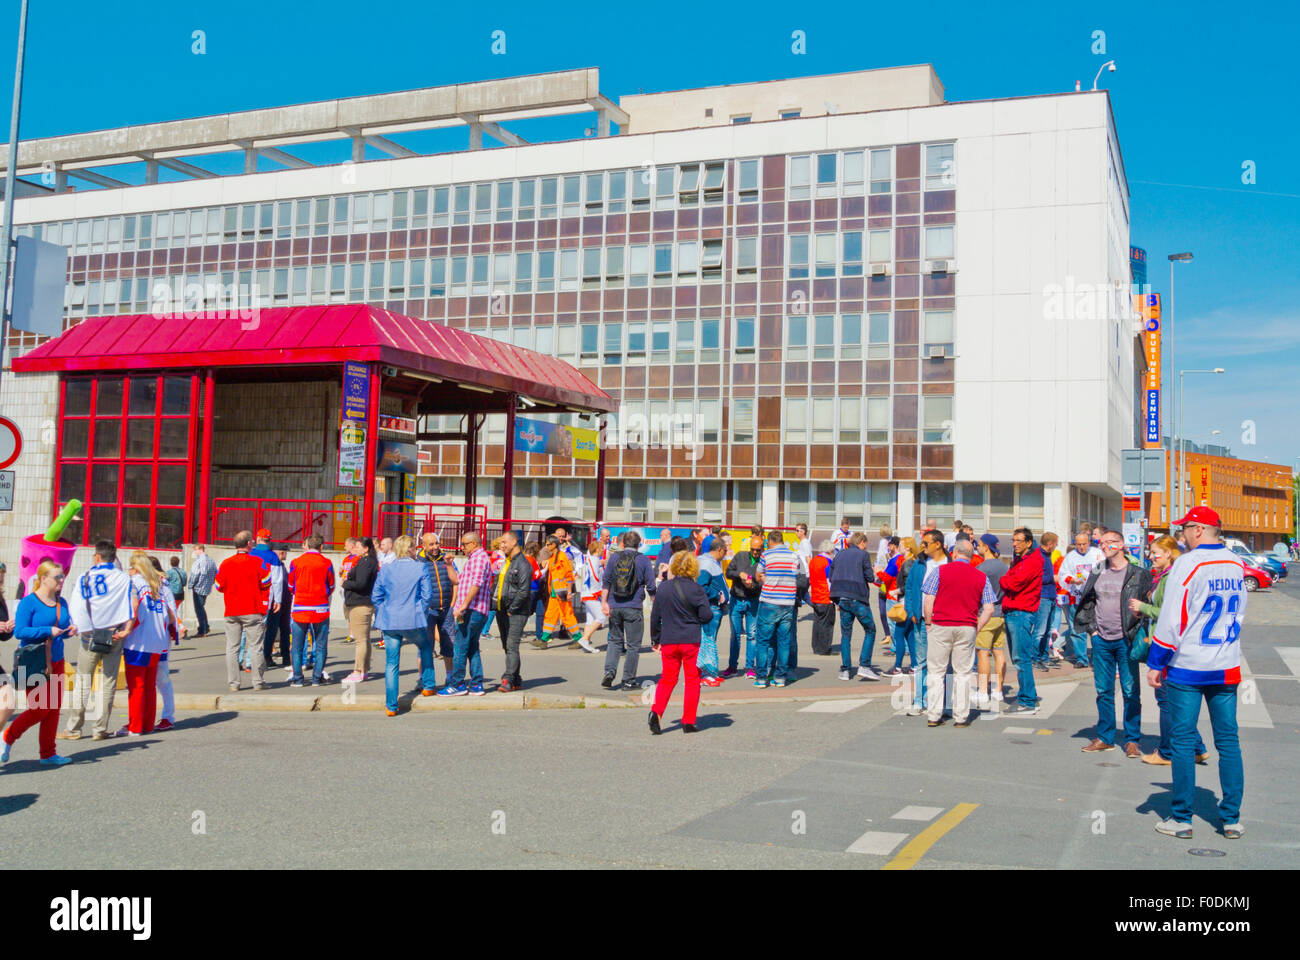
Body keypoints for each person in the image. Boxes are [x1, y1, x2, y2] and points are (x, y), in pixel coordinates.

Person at [1148, 507, 1247, 840]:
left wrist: (1156, 660)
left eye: (1186, 529)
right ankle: (1231, 818)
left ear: (1199, 530)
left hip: (1189, 664)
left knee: (1182, 740)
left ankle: (1181, 818)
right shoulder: (1235, 562)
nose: (1183, 535)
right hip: (1225, 661)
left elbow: (1172, 619)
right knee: (1229, 741)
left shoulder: (1188, 564)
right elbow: (1240, 612)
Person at [1131, 535, 1208, 767]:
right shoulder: (1164, 575)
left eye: (1155, 552)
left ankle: (1166, 752)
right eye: (1151, 552)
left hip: (1166, 644)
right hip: (1168, 641)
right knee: (1173, 701)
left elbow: (1167, 613)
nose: (1151, 556)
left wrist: (1142, 607)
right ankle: (1197, 748)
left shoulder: (1170, 577)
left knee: (1166, 701)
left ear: (1168, 554)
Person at [1074, 528, 1151, 755]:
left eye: (1110, 542)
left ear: (1121, 544)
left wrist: (1137, 628)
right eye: (1102, 542)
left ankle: (1132, 739)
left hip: (1125, 639)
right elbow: (1087, 601)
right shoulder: (1097, 570)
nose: (1105, 546)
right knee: (1103, 691)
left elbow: (1148, 605)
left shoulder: (1138, 573)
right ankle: (1105, 737)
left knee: (1130, 691)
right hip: (1101, 640)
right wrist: (1092, 629)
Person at [2, 561, 76, 766]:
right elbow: (19, 632)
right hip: (35, 662)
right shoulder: (29, 602)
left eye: (62, 576)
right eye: (57, 577)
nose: (61, 580)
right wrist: (46, 631)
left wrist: (70, 631)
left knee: (53, 710)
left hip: (56, 661)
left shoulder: (62, 602)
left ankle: (48, 754)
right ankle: (8, 736)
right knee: (40, 709)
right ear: (43, 578)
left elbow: (61, 631)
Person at [61, 540, 133, 741]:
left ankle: (74, 728)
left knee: (83, 681)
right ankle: (100, 729)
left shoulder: (85, 577)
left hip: (90, 635)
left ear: (97, 556)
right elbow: (130, 606)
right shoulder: (124, 578)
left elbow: (77, 606)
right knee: (108, 683)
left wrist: (80, 628)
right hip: (114, 634)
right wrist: (126, 629)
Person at [920, 540, 995, 728]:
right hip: (966, 625)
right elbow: (989, 609)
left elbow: (929, 599)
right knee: (963, 672)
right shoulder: (981, 576)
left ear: (954, 553)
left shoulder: (940, 571)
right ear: (970, 557)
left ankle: (934, 715)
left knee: (936, 671)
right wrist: (976, 626)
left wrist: (928, 622)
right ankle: (961, 717)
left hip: (941, 624)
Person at [648, 550, 712, 735]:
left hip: (669, 640)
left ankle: (656, 711)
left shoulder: (664, 588)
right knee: (692, 680)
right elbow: (706, 615)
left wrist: (655, 639)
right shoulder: (697, 589)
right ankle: (688, 721)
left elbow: (655, 616)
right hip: (691, 640)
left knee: (667, 679)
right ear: (693, 567)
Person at [373, 535, 434, 715]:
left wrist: (385, 609)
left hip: (390, 620)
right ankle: (428, 685)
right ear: (410, 549)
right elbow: (427, 595)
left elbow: (376, 596)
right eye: (414, 548)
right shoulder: (420, 567)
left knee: (392, 664)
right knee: (425, 646)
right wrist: (418, 609)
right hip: (412, 618)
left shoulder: (386, 569)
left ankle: (391, 706)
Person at [118, 552, 178, 736]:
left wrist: (125, 630)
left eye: (130, 566)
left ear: (136, 568)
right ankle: (147, 724)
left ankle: (135, 726)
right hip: (157, 642)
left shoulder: (134, 583)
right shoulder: (156, 585)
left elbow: (134, 610)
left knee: (136, 687)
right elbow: (168, 612)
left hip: (139, 641)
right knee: (150, 686)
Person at [600, 529, 657, 690]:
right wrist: (654, 604)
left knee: (614, 641)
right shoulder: (644, 560)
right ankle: (628, 680)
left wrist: (604, 602)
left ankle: (609, 672)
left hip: (614, 605)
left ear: (623, 543)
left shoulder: (614, 558)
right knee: (633, 646)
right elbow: (651, 586)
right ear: (639, 545)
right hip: (633, 607)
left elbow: (606, 581)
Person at [439, 531, 491, 697]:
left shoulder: (479, 558)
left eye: (465, 544)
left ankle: (457, 684)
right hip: (474, 610)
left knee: (460, 646)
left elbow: (476, 584)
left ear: (474, 544)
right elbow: (458, 581)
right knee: (472, 648)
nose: (462, 547)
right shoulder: (474, 559)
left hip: (472, 610)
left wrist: (463, 606)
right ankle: (476, 684)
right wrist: (448, 565)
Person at [999, 527, 1045, 716]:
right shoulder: (1023, 560)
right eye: (1013, 540)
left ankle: (1027, 701)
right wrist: (1007, 578)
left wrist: (1005, 578)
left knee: (1021, 659)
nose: (1015, 543)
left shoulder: (1032, 561)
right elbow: (1011, 580)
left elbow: (1012, 583)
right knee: (1020, 658)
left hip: (1020, 612)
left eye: (1019, 540)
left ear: (1028, 542)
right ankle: (1029, 697)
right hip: (1016, 611)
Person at [752, 529, 801, 688]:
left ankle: (761, 678)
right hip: (787, 602)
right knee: (784, 641)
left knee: (763, 641)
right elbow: (797, 575)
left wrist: (768, 578)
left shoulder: (767, 555)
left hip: (769, 602)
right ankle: (780, 677)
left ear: (771, 542)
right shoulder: (794, 556)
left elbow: (758, 575)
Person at [904, 529, 945, 717]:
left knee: (942, 663)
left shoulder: (949, 563)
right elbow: (911, 586)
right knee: (921, 661)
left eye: (926, 543)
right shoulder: (920, 563)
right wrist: (911, 611)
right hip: (921, 619)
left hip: (944, 620)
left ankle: (939, 700)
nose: (923, 547)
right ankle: (920, 700)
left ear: (938, 544)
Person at [828, 531, 879, 682]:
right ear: (862, 542)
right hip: (857, 597)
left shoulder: (839, 554)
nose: (866, 546)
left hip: (842, 597)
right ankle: (864, 665)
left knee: (845, 634)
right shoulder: (863, 555)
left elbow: (831, 576)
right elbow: (870, 577)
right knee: (870, 629)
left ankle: (845, 669)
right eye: (866, 544)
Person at [287, 534, 336, 688]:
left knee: (297, 646)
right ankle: (316, 678)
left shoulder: (296, 562)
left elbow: (290, 586)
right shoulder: (327, 562)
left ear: (306, 545)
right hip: (320, 608)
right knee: (321, 645)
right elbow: (331, 585)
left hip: (300, 608)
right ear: (321, 546)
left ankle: (298, 678)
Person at [494, 531, 534, 692]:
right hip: (502, 609)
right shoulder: (507, 562)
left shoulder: (523, 564)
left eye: (504, 542)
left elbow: (523, 591)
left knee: (511, 645)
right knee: (507, 646)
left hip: (516, 611)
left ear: (514, 542)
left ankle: (508, 679)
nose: (501, 545)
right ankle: (516, 679)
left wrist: (512, 608)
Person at [1057, 531, 1103, 668]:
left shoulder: (1097, 554)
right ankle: (1081, 659)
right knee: (1076, 629)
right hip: (1075, 597)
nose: (1081, 547)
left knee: (1096, 629)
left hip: (1093, 597)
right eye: (1078, 544)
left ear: (1089, 542)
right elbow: (1063, 574)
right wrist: (1072, 580)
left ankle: (1096, 659)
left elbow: (1105, 571)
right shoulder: (1070, 557)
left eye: (1084, 544)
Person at [416, 533, 458, 682]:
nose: (435, 547)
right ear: (424, 546)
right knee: (425, 646)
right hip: (428, 610)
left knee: (448, 645)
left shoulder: (446, 559)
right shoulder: (418, 561)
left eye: (436, 543)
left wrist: (452, 604)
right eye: (431, 544)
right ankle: (423, 679)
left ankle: (449, 676)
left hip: (446, 608)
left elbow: (455, 582)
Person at [973, 534, 1009, 708]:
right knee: (999, 651)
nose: (977, 547)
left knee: (982, 652)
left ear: (986, 547)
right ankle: (998, 690)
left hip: (986, 613)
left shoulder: (981, 568)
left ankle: (982, 691)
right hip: (1002, 612)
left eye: (979, 545)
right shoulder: (1004, 567)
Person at [145, 557, 180, 731]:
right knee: (150, 679)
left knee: (162, 677)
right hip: (146, 638)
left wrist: (173, 629)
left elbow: (171, 610)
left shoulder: (162, 585)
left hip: (159, 637)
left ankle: (168, 716)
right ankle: (144, 718)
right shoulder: (145, 583)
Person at [341, 536, 379, 685]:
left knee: (360, 640)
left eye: (358, 546)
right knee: (364, 639)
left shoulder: (365, 562)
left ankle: (358, 670)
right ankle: (364, 668)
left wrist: (346, 583)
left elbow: (361, 583)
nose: (355, 549)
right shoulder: (367, 562)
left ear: (366, 548)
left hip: (360, 604)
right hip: (362, 603)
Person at [725, 534, 764, 677]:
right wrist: (739, 574)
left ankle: (749, 667)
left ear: (762, 549)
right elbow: (728, 572)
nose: (755, 553)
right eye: (753, 549)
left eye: (758, 550)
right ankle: (732, 666)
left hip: (753, 600)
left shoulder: (763, 562)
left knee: (752, 635)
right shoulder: (740, 556)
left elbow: (763, 583)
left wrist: (752, 585)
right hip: (736, 599)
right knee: (734, 635)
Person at [695, 539, 730, 686]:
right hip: (711, 608)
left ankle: (710, 673)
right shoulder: (707, 563)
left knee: (709, 641)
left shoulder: (710, 562)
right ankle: (706, 674)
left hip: (714, 607)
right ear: (720, 549)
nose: (726, 554)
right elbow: (701, 586)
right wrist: (717, 595)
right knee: (707, 641)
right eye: (726, 550)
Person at [535, 535, 577, 649]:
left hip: (562, 593)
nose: (546, 546)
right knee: (550, 616)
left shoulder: (562, 557)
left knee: (567, 616)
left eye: (548, 544)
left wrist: (569, 592)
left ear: (554, 545)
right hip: (555, 593)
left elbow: (569, 575)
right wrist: (544, 562)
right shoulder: (553, 557)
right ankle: (543, 640)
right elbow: (550, 563)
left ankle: (579, 639)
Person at [249, 530, 284, 666]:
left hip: (249, 596)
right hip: (266, 597)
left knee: (248, 631)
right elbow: (277, 581)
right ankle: (263, 658)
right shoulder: (273, 557)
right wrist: (278, 600)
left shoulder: (250, 554)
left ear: (257, 539)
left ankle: (244, 660)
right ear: (269, 540)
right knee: (264, 629)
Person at [881, 538, 914, 675]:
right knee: (910, 635)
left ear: (907, 548)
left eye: (901, 545)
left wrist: (896, 591)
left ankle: (898, 667)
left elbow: (907, 586)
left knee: (899, 634)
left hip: (904, 602)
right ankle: (915, 666)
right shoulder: (914, 562)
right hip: (910, 603)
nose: (898, 548)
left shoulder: (907, 564)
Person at [575, 539, 606, 654]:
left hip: (587, 592)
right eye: (602, 548)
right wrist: (599, 591)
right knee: (601, 617)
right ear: (597, 549)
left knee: (590, 619)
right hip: (592, 593)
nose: (603, 550)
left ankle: (586, 643)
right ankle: (584, 639)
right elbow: (594, 576)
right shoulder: (594, 560)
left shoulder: (590, 559)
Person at [809, 540, 837, 656]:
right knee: (827, 624)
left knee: (817, 623)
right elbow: (829, 581)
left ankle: (816, 646)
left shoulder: (813, 561)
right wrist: (835, 599)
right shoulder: (827, 562)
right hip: (825, 597)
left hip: (815, 596)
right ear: (830, 551)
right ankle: (825, 648)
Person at [188, 545, 217, 637]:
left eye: (195, 550)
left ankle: (202, 630)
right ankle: (205, 626)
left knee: (199, 609)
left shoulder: (199, 561)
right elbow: (215, 573)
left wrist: (191, 585)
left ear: (199, 550)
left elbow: (195, 574)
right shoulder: (211, 561)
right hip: (207, 587)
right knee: (201, 607)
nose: (194, 553)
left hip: (198, 587)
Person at [339, 537, 359, 644]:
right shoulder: (346, 559)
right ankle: (351, 633)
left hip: (352, 587)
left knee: (353, 611)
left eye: (345, 545)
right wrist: (341, 572)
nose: (344, 547)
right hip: (345, 588)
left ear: (351, 546)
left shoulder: (357, 559)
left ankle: (355, 634)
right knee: (348, 613)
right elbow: (343, 573)